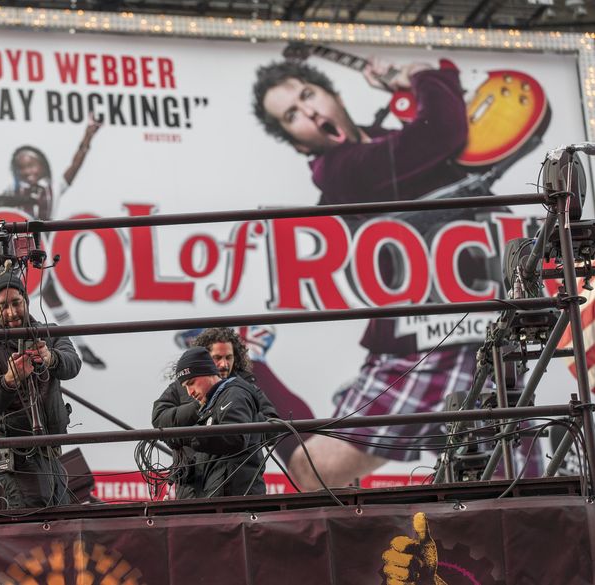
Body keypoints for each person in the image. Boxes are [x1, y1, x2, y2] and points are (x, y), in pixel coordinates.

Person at [252, 56, 498, 489]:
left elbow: (443, 135)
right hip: (437, 336)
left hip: (479, 322)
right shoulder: (344, 170)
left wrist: (406, 90)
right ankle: (247, 368)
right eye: (291, 114)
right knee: (317, 471)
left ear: (335, 97)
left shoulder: (385, 144)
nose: (308, 111)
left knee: (510, 475)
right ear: (299, 144)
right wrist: (422, 74)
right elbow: (442, 130)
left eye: (308, 95)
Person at [0, 118, 106, 369]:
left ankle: (78, 348)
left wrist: (87, 138)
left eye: (34, 164)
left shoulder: (52, 188)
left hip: (42, 252)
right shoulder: (11, 191)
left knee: (49, 301)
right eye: (23, 167)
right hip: (16, 254)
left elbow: (74, 167)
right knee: (10, 300)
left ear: (43, 165)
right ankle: (2, 347)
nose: (30, 170)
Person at [0, 271, 82, 508]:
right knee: (35, 516)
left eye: (16, 303)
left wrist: (51, 358)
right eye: (3, 306)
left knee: (60, 515)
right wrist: (9, 380)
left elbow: (73, 365)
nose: (11, 312)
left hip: (48, 451)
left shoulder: (50, 333)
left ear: (26, 301)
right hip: (15, 456)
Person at [153, 327, 285, 498]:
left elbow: (274, 429)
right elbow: (159, 418)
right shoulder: (183, 386)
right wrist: (199, 409)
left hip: (231, 485)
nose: (224, 364)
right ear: (205, 360)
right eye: (217, 358)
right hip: (190, 488)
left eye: (228, 357)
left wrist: (240, 417)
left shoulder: (244, 388)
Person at [169, 346, 268, 498]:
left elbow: (236, 437)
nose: (190, 392)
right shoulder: (212, 404)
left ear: (207, 371)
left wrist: (188, 435)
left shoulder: (235, 393)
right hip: (223, 501)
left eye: (191, 382)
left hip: (237, 503)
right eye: (185, 387)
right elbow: (213, 456)